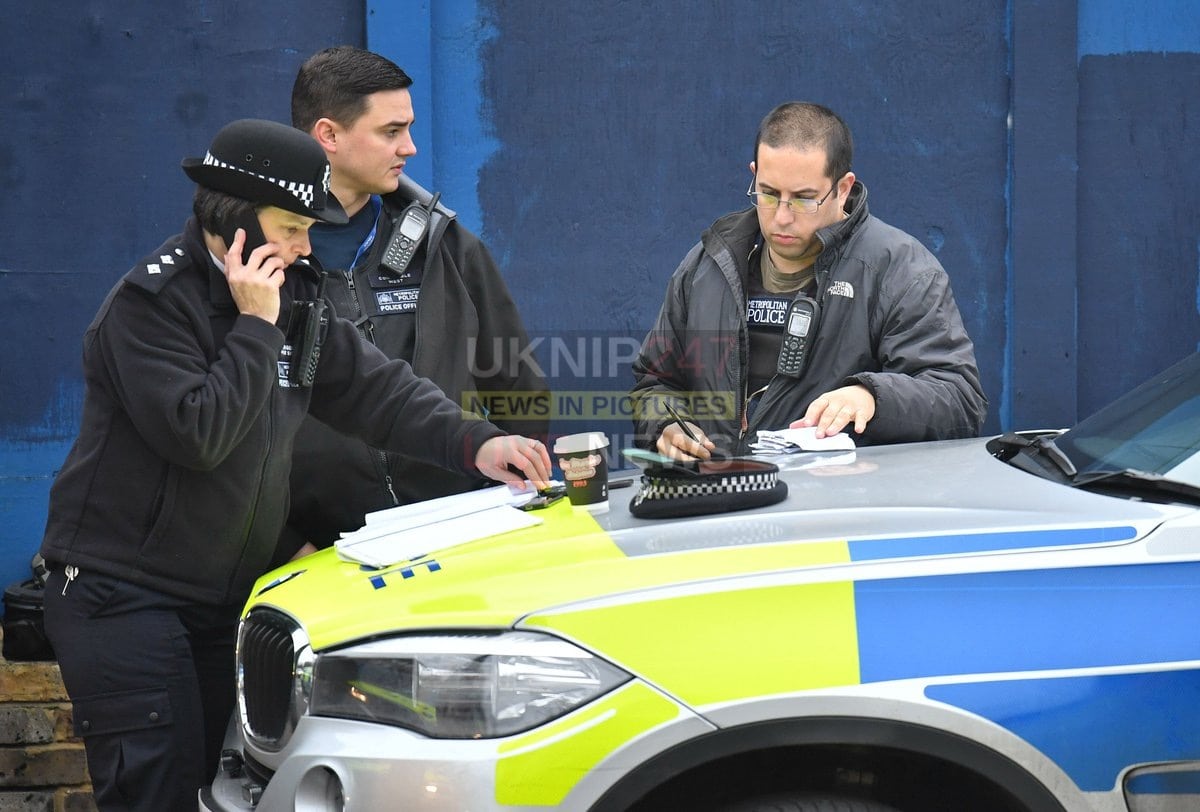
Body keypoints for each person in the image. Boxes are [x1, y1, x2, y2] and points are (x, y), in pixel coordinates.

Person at [38, 119, 551, 812]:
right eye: (289, 227)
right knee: (156, 792)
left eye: (310, 226)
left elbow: (376, 391)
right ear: (234, 217)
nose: (305, 245)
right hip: (123, 596)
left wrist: (478, 443)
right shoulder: (150, 307)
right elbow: (201, 434)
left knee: (217, 792)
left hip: (224, 600)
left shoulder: (296, 291)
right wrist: (254, 325)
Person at [279, 46, 549, 557]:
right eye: (391, 132)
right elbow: (227, 425)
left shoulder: (447, 246)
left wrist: (507, 502)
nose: (411, 149)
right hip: (324, 559)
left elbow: (517, 385)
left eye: (409, 128)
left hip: (465, 540)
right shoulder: (263, 265)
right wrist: (286, 545)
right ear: (328, 136)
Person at [631, 102, 986, 459]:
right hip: (717, 498)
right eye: (768, 194)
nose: (782, 217)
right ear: (754, 174)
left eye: (803, 199)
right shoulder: (708, 265)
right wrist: (667, 426)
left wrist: (872, 397)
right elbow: (654, 381)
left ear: (843, 188)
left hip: (837, 505)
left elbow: (960, 400)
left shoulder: (901, 271)